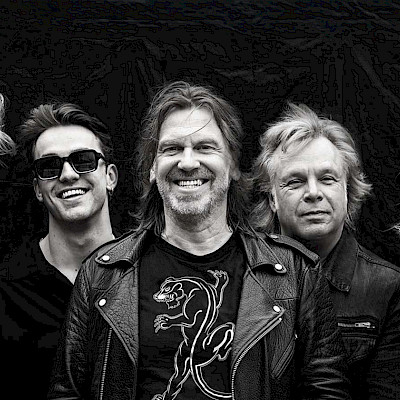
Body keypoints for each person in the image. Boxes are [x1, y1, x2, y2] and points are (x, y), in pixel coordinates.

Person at [49, 81, 350, 400]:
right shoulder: (101, 275)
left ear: (232, 166)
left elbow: (327, 389)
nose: (188, 162)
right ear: (152, 168)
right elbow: (66, 392)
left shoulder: (295, 273)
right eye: (172, 149)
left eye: (205, 147)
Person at [251, 102, 400, 400]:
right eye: (295, 182)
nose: (313, 192)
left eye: (327, 179)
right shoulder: (243, 275)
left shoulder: (388, 288)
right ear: (272, 199)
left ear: (348, 190)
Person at [0, 102, 118, 399]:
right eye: (49, 166)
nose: (67, 174)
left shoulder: (149, 274)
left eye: (84, 160)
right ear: (37, 189)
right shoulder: (7, 288)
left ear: (110, 177)